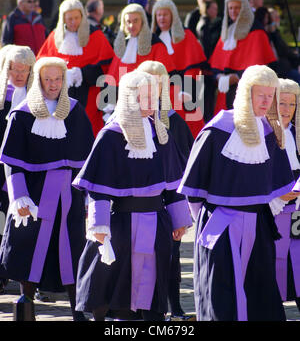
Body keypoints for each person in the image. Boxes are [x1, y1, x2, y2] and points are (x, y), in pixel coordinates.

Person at [178, 64, 295, 321]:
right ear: (245, 94)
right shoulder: (217, 129)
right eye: (260, 94)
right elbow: (194, 189)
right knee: (222, 296)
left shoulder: (269, 131)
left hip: (259, 225)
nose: (266, 101)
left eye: (270, 95)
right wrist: (207, 221)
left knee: (260, 294)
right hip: (221, 225)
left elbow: (277, 185)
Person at [72, 70, 192, 321]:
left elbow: (172, 182)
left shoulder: (161, 133)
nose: (150, 101)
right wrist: (99, 226)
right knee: (112, 281)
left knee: (155, 282)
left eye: (153, 95)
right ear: (129, 97)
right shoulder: (111, 135)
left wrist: (179, 219)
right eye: (143, 96)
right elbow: (99, 185)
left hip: (158, 222)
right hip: (121, 224)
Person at [0, 56, 94, 321]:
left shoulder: (75, 110)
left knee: (72, 249)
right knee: (29, 247)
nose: (53, 85)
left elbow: (87, 159)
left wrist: (88, 198)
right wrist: (18, 196)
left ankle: (78, 309)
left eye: (58, 79)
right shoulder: (22, 112)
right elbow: (11, 161)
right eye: (47, 79)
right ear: (38, 81)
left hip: (69, 194)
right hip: (34, 193)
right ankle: (25, 305)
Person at [136, 60, 194, 320]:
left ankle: (176, 304)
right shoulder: (127, 119)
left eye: (157, 81)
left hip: (170, 199)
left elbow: (187, 163)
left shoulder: (175, 122)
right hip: (140, 201)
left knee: (172, 254)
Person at [37, 0, 114, 136]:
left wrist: (82, 73)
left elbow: (107, 67)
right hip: (59, 95)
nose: (73, 22)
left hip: (89, 96)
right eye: (69, 18)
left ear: (82, 16)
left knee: (86, 132)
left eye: (77, 18)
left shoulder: (95, 35)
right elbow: (41, 63)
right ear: (63, 19)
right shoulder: (55, 36)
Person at [0, 45, 35, 294]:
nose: (19, 74)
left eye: (24, 69)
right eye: (14, 69)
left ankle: (27, 277)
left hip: (30, 170)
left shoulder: (39, 97)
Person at [103, 3, 175, 121]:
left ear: (143, 22)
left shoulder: (155, 44)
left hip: (151, 107)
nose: (131, 25)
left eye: (135, 21)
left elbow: (166, 79)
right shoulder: (122, 46)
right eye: (128, 21)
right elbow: (112, 78)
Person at [209, 0, 277, 113]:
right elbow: (216, 63)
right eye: (230, 8)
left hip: (248, 89)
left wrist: (237, 77)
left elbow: (260, 66)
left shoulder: (256, 31)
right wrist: (218, 76)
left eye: (237, 8)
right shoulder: (227, 32)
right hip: (224, 89)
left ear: (244, 9)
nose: (233, 11)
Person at [151, 0, 207, 138]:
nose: (162, 18)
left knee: (187, 130)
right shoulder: (152, 39)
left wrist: (187, 92)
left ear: (173, 16)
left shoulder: (186, 35)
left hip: (182, 91)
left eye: (165, 15)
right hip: (158, 93)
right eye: (159, 15)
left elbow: (192, 68)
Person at [273, 78, 300, 311]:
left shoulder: (297, 133)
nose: (287, 110)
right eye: (282, 103)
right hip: (271, 211)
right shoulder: (262, 133)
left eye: (292, 105)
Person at [194, 0, 222, 123]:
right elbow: (206, 46)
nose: (216, 11)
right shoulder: (205, 25)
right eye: (214, 8)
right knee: (208, 99)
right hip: (207, 68)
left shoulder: (207, 23)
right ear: (208, 9)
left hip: (206, 67)